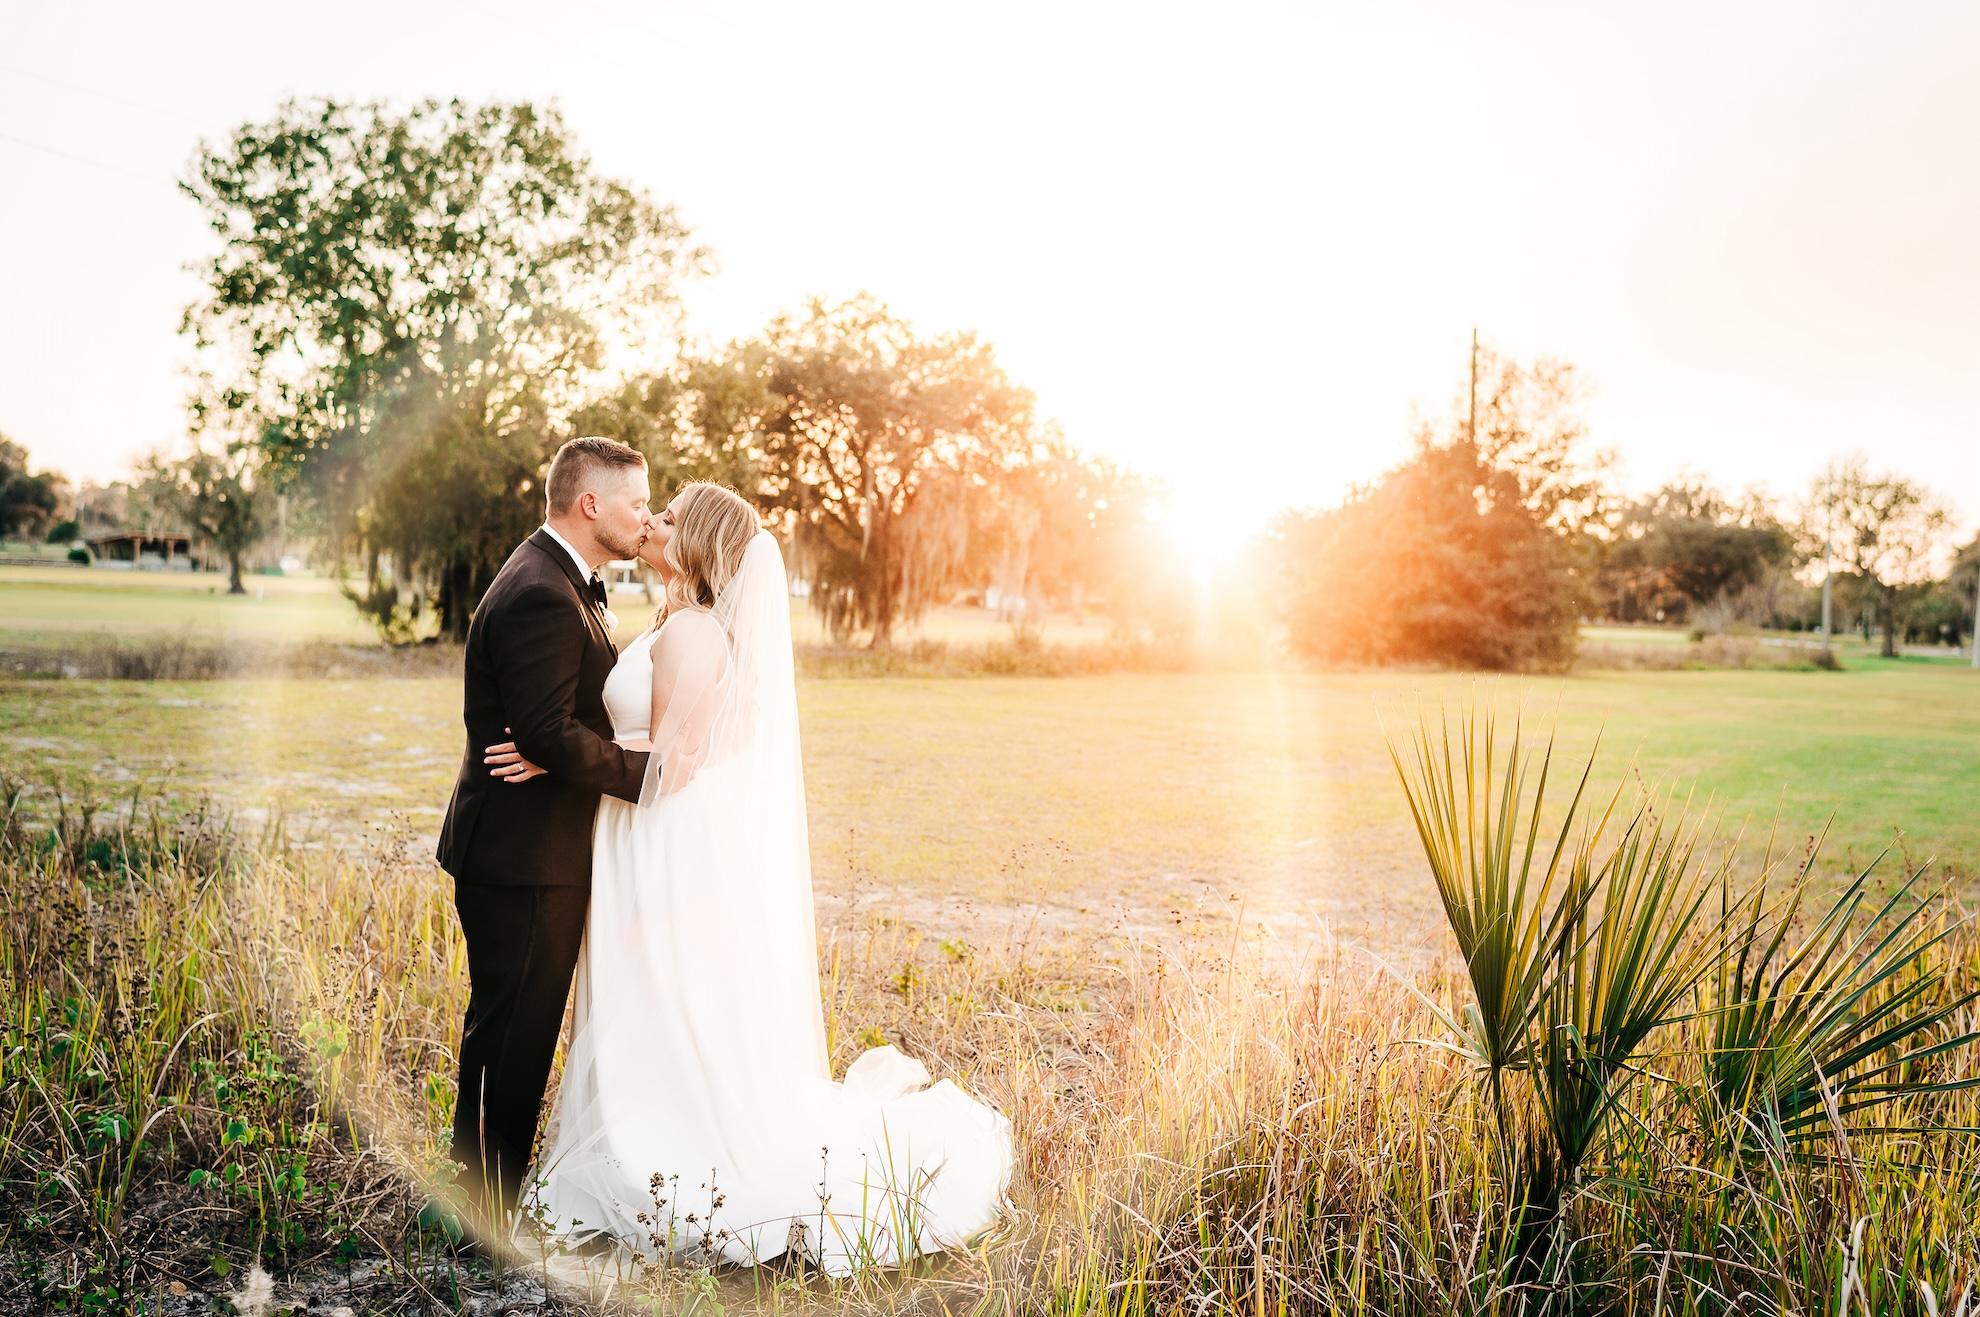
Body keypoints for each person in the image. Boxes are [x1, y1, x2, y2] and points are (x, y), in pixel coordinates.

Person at [483, 482, 1013, 1275]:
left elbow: (675, 762)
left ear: (698, 542)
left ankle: (662, 1150)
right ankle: (637, 1134)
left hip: (655, 838)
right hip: (636, 831)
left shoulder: (694, 631)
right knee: (645, 993)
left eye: (668, 517)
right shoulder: (677, 621)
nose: (651, 522)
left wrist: (551, 757)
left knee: (656, 991)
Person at [436, 436, 660, 1221]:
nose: (647, 517)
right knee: (514, 1034)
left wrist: (555, 741)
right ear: (591, 503)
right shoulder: (541, 590)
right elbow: (543, 730)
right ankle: (483, 1206)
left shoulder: (558, 578)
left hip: (531, 848)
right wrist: (651, 775)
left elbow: (554, 726)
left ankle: (479, 1191)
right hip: (524, 856)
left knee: (508, 1028)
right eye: (637, 501)